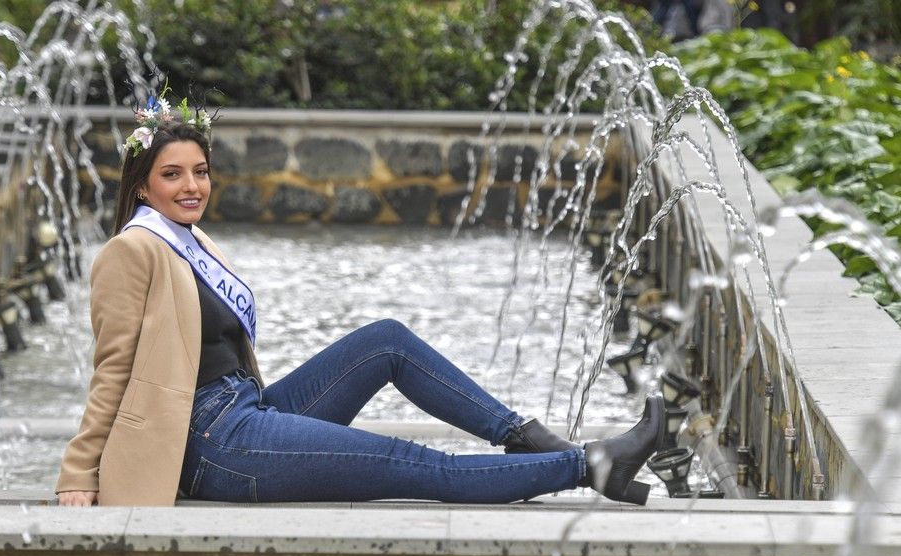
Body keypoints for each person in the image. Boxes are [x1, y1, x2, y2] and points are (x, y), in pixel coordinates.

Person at [55, 91, 665, 508]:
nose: (192, 186)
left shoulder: (190, 237)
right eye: (173, 175)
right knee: (413, 464)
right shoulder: (131, 251)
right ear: (141, 185)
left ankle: (527, 436)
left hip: (247, 410)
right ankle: (590, 467)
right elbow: (111, 370)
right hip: (210, 446)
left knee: (386, 341)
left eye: (201, 171)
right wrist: (78, 475)